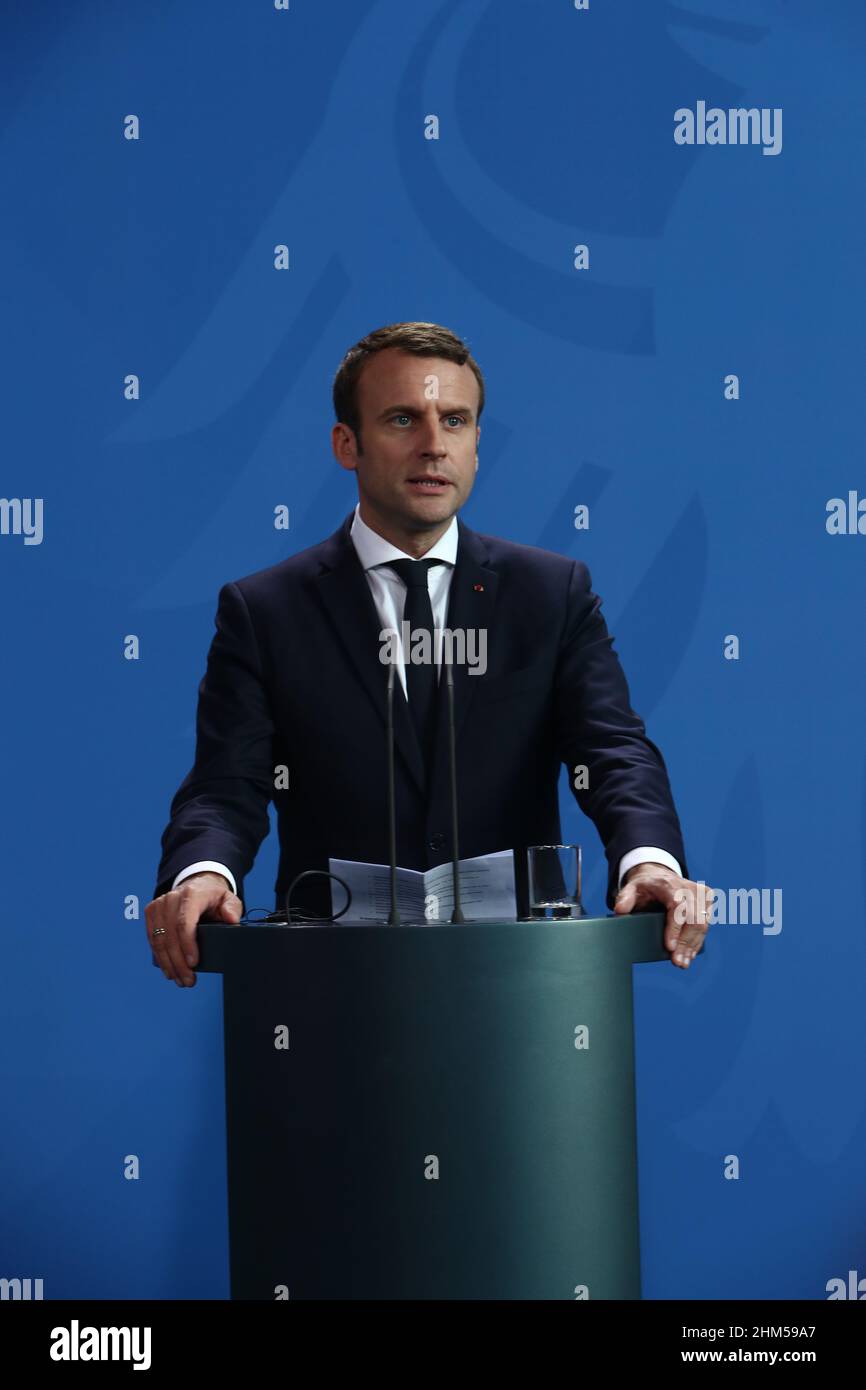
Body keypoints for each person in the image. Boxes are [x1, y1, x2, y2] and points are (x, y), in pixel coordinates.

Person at [147, 322, 712, 988]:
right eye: (401, 419)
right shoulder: (265, 612)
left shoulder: (551, 595)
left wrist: (650, 864)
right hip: (332, 991)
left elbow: (612, 750)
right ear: (346, 444)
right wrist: (205, 873)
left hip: (526, 992)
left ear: (478, 445)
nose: (433, 446)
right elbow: (226, 786)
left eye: (455, 420)